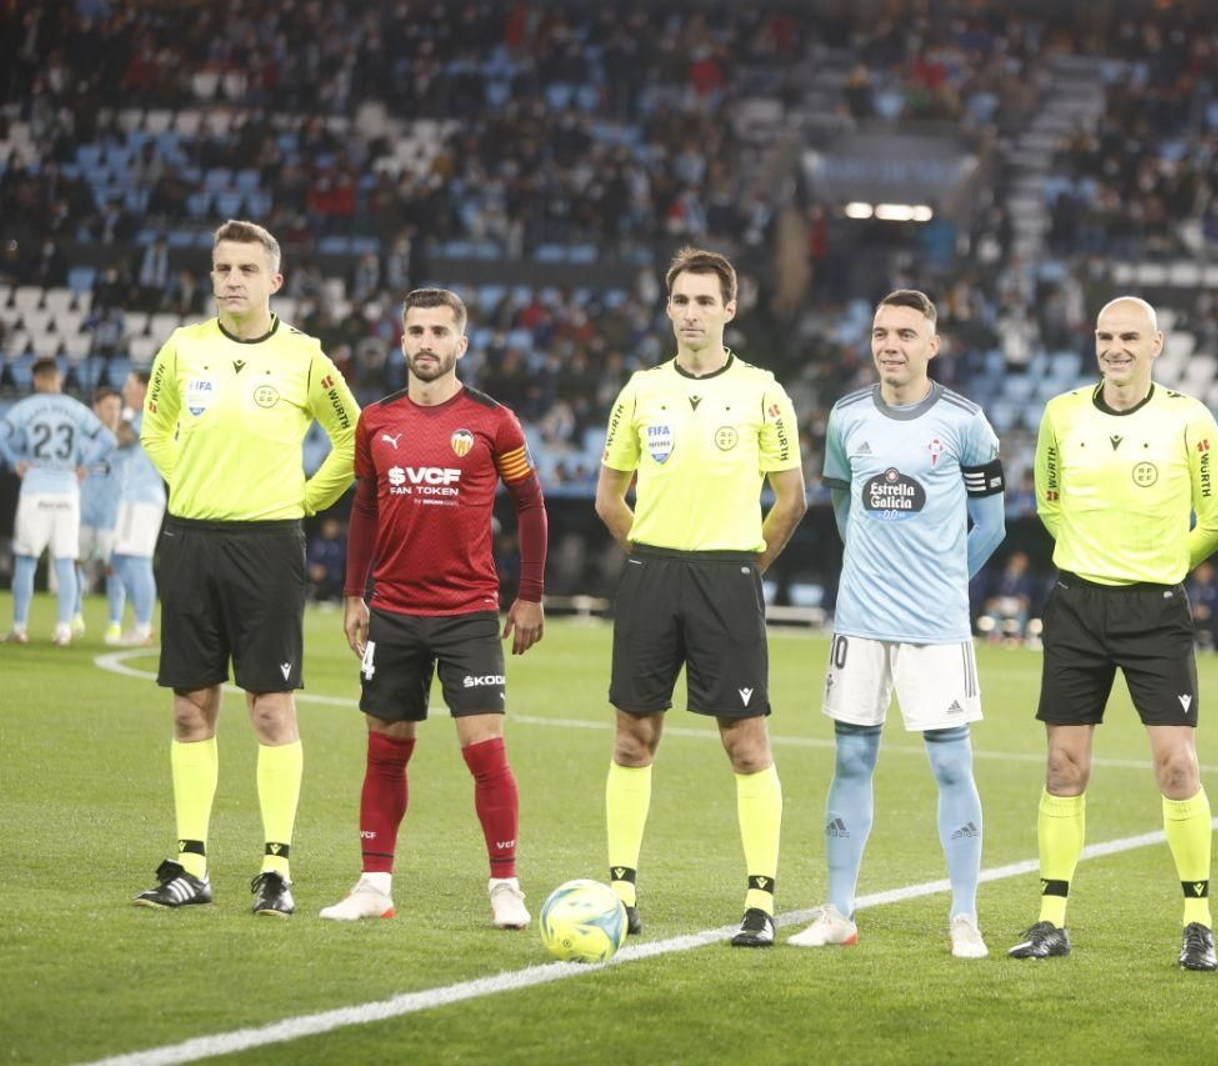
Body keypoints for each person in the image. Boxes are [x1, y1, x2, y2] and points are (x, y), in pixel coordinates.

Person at [134, 220, 360, 916]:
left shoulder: (305, 357)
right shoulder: (183, 349)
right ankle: (191, 865)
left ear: (274, 280)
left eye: (245, 269)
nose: (232, 279)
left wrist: (301, 500)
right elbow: (154, 428)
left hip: (268, 546)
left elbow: (352, 437)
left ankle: (275, 869)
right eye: (222, 268)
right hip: (190, 541)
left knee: (269, 709)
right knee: (188, 708)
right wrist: (190, 482)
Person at [1012, 297, 1218, 970]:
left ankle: (1198, 922)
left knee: (1177, 765)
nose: (1115, 347)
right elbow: (1050, 504)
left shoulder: (1189, 419)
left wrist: (1159, 566)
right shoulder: (1062, 414)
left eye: (1129, 337)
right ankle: (1051, 919)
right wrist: (1092, 556)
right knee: (1063, 766)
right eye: (1106, 336)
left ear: (1156, 344)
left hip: (1155, 612)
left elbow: (1217, 517)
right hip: (1077, 608)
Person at [595, 246, 807, 948]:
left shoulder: (763, 392)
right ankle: (621, 892)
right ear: (669, 308)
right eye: (680, 301)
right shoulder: (640, 390)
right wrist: (651, 553)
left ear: (729, 308)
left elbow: (791, 498)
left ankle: (760, 901)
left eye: (704, 301)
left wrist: (748, 567)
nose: (691, 313)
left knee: (745, 744)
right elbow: (608, 496)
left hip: (728, 578)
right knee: (633, 738)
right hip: (653, 575)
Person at [319, 288, 548, 929]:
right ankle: (373, 885)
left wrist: (529, 594)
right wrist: (353, 594)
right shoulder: (375, 421)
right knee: (385, 751)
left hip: (470, 613)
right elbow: (364, 508)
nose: (426, 342)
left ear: (460, 344)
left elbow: (531, 505)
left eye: (439, 332)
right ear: (402, 341)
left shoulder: (493, 421)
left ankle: (506, 886)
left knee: (485, 752)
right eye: (415, 331)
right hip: (391, 611)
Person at [787, 289, 1005, 957]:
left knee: (949, 763)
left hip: (936, 626)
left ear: (932, 345)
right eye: (882, 331)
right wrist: (873, 577)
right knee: (851, 758)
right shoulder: (848, 416)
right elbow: (847, 507)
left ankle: (963, 915)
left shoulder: (968, 423)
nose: (891, 344)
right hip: (860, 620)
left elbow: (990, 527)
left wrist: (940, 583)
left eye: (907, 334)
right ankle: (838, 911)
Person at [0, 359, 115, 645]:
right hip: (66, 489)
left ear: (37, 379)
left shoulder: (26, 407)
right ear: (58, 378)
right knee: (65, 561)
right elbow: (108, 440)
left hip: (36, 488)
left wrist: (14, 461)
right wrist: (84, 465)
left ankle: (19, 627)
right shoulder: (76, 409)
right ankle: (63, 628)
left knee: (26, 560)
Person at [106, 369, 165, 646]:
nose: (124, 389)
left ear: (143, 389)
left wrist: (125, 414)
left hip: (143, 497)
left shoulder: (148, 415)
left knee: (137, 561)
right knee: (118, 559)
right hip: (133, 497)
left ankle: (143, 627)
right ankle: (141, 622)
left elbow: (120, 439)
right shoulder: (142, 415)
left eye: (129, 384)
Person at [73, 387, 125, 639]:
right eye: (108, 407)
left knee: (114, 569)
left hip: (111, 518)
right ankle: (74, 617)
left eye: (117, 408)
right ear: (96, 409)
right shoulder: (83, 440)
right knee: (75, 566)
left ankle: (115, 623)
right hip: (82, 515)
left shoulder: (126, 441)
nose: (114, 413)